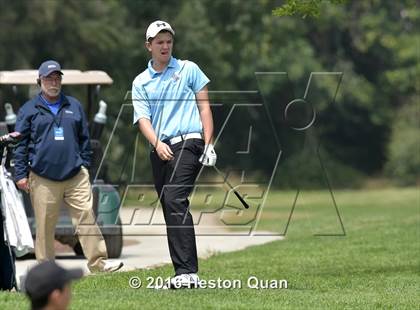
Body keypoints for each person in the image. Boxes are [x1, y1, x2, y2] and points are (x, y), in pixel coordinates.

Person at [13, 60, 123, 273]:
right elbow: (20, 145)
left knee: (86, 216)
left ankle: (99, 263)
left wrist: (84, 164)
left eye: (57, 78)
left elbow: (84, 139)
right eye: (49, 78)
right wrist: (20, 174)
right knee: (44, 225)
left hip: (75, 174)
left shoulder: (74, 106)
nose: (53, 82)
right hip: (43, 176)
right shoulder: (28, 110)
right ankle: (46, 269)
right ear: (40, 81)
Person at [132, 20, 217, 288]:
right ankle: (182, 272)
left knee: (174, 197)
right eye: (159, 42)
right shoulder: (141, 82)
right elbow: (143, 120)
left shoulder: (188, 69)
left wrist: (209, 142)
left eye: (168, 41)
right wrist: (157, 144)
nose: (165, 46)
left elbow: (204, 107)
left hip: (189, 142)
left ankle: (189, 272)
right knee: (170, 205)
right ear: (149, 46)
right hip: (160, 148)